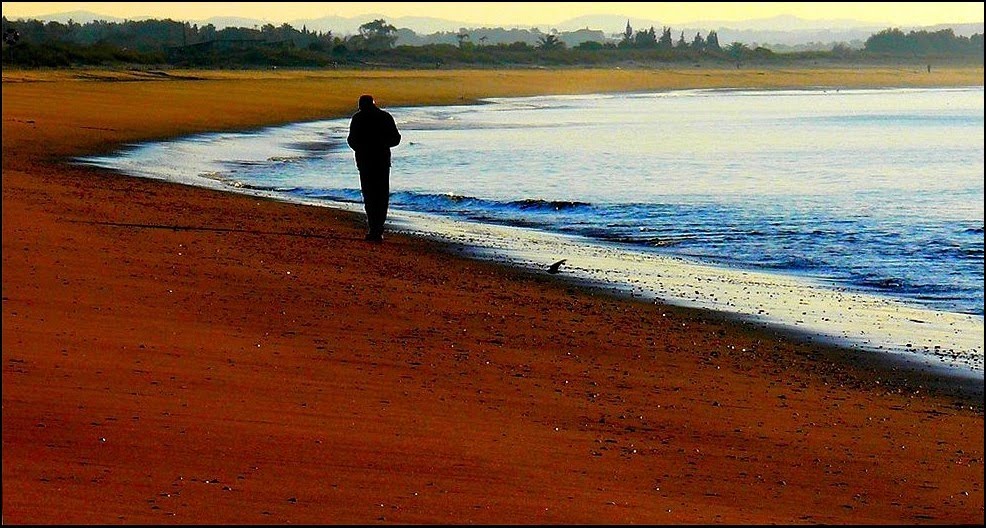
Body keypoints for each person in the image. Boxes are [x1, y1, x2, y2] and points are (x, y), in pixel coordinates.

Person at [347, 94, 401, 242]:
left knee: (369, 194)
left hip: (365, 162)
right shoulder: (385, 117)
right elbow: (396, 139)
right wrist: (382, 144)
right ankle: (378, 228)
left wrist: (361, 149)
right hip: (382, 161)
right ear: (374, 103)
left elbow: (351, 140)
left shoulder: (358, 118)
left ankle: (374, 228)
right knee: (381, 195)